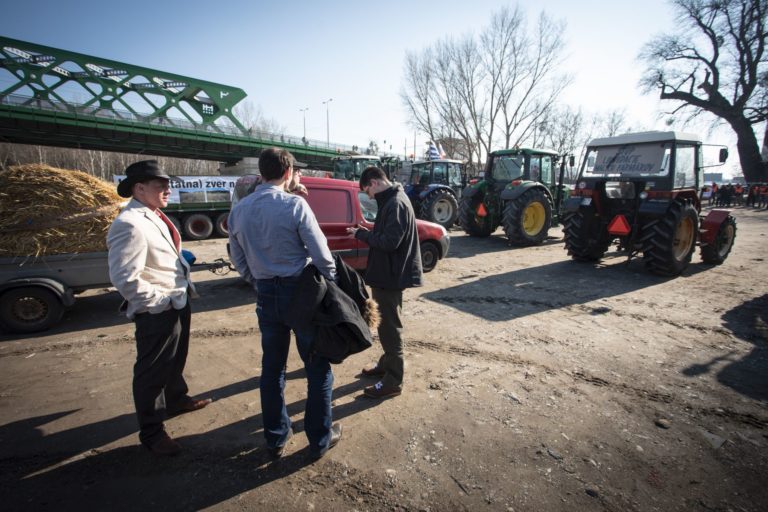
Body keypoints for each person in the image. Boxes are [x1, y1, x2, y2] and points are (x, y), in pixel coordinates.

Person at [228, 147, 342, 460]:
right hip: (301, 295)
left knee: (272, 368)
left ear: (261, 173)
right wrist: (332, 282)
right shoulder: (296, 205)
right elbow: (322, 256)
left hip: (266, 294)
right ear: (289, 173)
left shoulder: (239, 210)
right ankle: (319, 440)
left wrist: (256, 280)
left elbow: (236, 256)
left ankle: (276, 437)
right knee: (317, 367)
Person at [107, 160, 211, 456]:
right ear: (139, 188)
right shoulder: (129, 223)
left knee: (175, 359)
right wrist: (159, 302)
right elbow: (124, 277)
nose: (168, 189)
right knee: (151, 372)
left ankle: (177, 400)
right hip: (158, 309)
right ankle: (152, 433)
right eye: (160, 185)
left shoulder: (152, 214)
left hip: (177, 300)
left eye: (168, 184)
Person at [347, 166, 423, 399]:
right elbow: (388, 234)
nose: (369, 196)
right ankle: (386, 365)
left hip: (391, 276)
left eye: (367, 192)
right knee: (385, 325)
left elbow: (390, 242)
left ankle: (393, 381)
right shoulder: (391, 201)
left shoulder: (396, 203)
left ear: (373, 183)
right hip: (387, 274)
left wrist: (362, 235)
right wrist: (367, 230)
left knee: (390, 328)